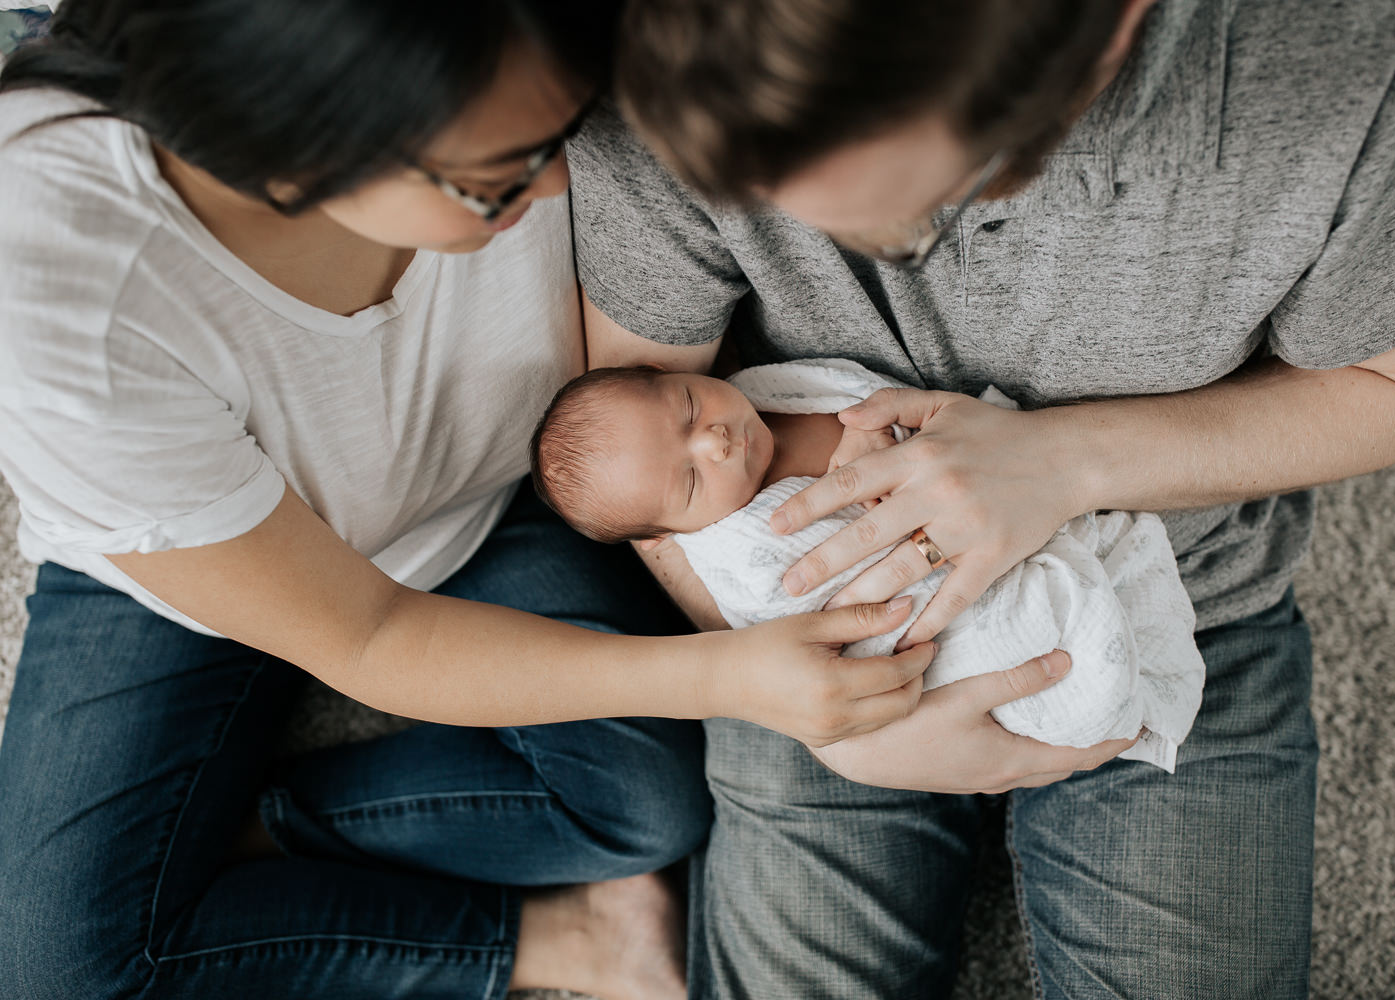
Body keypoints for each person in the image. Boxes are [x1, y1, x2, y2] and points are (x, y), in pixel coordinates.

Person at [0, 2, 1020, 997]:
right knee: (61, 971)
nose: (546, 197)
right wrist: (729, 674)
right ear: (300, 153)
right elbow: (371, 636)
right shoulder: (63, 306)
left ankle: (259, 829)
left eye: (557, 141)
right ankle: (535, 941)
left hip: (489, 496)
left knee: (643, 805)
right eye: (496, 184)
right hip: (201, 564)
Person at [567, 0, 1395, 996]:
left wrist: (1065, 462)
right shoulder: (681, 42)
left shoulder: (1343, 48)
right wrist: (827, 715)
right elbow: (649, 468)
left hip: (1177, 587)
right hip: (817, 640)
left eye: (897, 227)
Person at [529, 358, 1204, 769]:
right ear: (668, 536)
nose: (713, 439)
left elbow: (873, 400)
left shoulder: (774, 391)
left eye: (685, 405)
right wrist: (875, 523)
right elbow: (823, 616)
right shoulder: (743, 555)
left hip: (1006, 495)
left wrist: (877, 433)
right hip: (939, 627)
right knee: (1058, 644)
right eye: (688, 483)